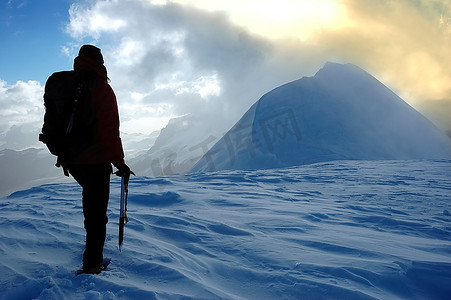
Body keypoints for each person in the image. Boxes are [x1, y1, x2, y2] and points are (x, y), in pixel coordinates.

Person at [66, 45, 133, 274]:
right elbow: (108, 131)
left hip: (73, 160)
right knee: (97, 215)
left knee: (91, 205)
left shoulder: (70, 85)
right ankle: (92, 264)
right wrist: (119, 162)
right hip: (95, 161)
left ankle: (90, 248)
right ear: (99, 62)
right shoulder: (101, 89)